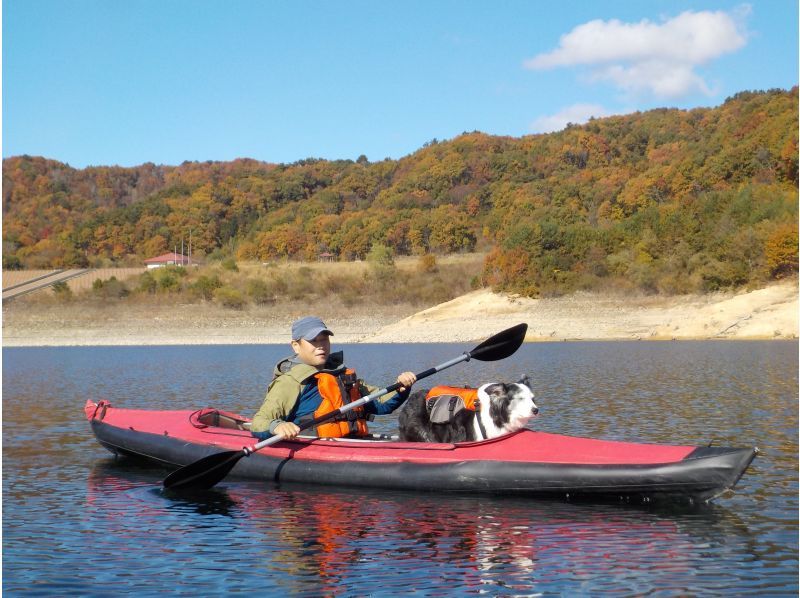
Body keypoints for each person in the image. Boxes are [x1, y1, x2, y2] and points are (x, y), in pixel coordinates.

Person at [251, 316, 416, 440]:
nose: (321, 346)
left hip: (353, 443)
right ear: (296, 346)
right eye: (313, 341)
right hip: (315, 448)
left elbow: (380, 404)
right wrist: (278, 426)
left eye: (324, 339)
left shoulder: (342, 375)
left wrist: (400, 388)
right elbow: (259, 422)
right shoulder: (290, 382)